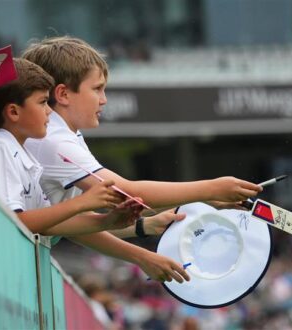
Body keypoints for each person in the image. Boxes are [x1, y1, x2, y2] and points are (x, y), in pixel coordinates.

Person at [22, 36, 263, 238]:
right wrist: (211, 189)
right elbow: (125, 192)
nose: (104, 99)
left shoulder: (66, 133)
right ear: (63, 94)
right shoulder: (54, 140)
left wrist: (200, 200)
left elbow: (75, 221)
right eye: (97, 89)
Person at [0, 57, 190, 283]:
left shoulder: (21, 152)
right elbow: (15, 221)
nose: (49, 112)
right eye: (42, 102)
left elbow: (51, 226)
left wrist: (107, 221)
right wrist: (84, 202)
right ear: (13, 112)